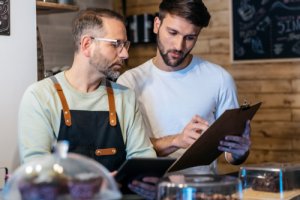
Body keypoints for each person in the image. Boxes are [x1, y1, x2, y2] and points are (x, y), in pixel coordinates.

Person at [117, 0, 251, 197]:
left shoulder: (219, 79)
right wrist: (177, 140)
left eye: (190, 37)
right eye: (172, 33)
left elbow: (231, 155)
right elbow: (124, 150)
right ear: (156, 25)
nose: (179, 46)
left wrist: (240, 151)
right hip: (148, 193)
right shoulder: (129, 82)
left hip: (203, 193)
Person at [18, 9, 156, 173]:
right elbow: (37, 171)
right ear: (87, 45)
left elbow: (143, 160)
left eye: (125, 45)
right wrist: (100, 183)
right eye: (116, 44)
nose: (125, 54)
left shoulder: (125, 97)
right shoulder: (40, 96)